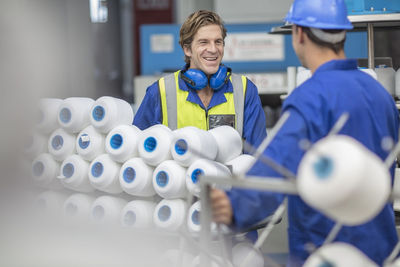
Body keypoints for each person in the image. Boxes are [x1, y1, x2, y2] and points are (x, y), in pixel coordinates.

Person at [210, 0, 399, 266]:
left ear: (298, 33)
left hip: (327, 252)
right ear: (342, 33)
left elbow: (275, 171)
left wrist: (232, 207)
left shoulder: (312, 97)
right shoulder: (379, 94)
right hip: (382, 251)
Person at [133, 10, 267, 149]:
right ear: (187, 49)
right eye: (204, 42)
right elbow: (140, 150)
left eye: (218, 42)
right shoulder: (160, 92)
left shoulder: (245, 90)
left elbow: (258, 154)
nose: (213, 49)